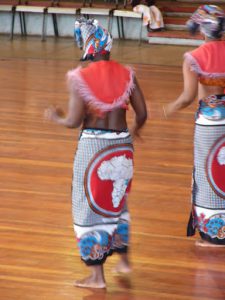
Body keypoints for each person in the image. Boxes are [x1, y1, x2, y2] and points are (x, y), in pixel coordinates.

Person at [44, 18, 147, 288]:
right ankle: (124, 261)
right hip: (123, 145)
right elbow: (143, 114)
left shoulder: (80, 77)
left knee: (89, 207)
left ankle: (96, 276)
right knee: (117, 202)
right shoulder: (128, 73)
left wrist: (56, 117)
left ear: (87, 47)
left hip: (94, 148)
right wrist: (134, 130)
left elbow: (74, 121)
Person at [164, 5, 225, 247]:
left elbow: (188, 96)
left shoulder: (194, 57)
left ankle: (214, 235)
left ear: (202, 30)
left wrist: (171, 107)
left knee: (208, 174)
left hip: (209, 124)